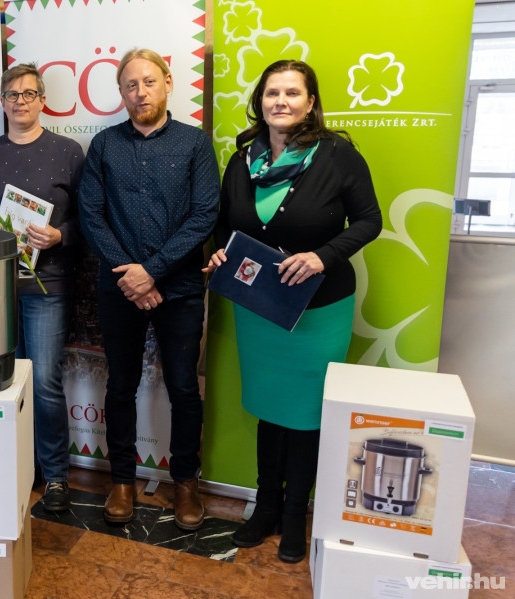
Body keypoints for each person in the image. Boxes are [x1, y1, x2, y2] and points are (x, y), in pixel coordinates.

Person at [203, 59, 382, 562]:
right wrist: (220, 253)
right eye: (271, 93)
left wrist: (323, 256)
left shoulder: (338, 155)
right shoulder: (243, 159)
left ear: (311, 102)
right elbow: (226, 224)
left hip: (319, 309)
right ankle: (265, 508)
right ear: (259, 101)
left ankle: (295, 516)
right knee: (270, 407)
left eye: (292, 93)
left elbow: (369, 219)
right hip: (259, 306)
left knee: (305, 414)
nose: (280, 101)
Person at [78, 49, 219, 530]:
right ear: (121, 92)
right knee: (120, 385)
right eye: (131, 85)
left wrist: (152, 272)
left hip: (179, 288)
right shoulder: (104, 145)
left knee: (184, 387)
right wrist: (132, 277)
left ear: (168, 83)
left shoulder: (195, 144)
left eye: (149, 82)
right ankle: (122, 480)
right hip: (120, 288)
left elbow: (204, 215)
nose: (141, 92)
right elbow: (91, 215)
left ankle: (185, 483)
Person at [0, 63, 84, 513]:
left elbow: (89, 219)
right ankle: (16, 466)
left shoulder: (68, 151)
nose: (21, 101)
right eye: (12, 94)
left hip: (47, 285)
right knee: (0, 380)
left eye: (29, 93)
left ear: (42, 100)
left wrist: (59, 235)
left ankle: (55, 475)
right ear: (3, 101)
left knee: (44, 381)